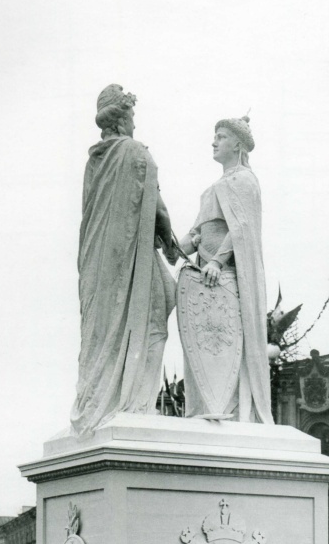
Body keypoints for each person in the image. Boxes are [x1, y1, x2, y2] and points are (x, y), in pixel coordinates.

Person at [70, 84, 179, 433]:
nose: (135, 121)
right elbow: (157, 208)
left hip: (98, 263)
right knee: (156, 309)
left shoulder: (95, 161)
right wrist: (171, 245)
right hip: (131, 259)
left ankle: (104, 398)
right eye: (132, 114)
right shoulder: (135, 153)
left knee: (102, 331)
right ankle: (135, 400)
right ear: (121, 119)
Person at [176, 115, 272, 423]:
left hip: (227, 277)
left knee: (226, 343)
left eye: (221, 136)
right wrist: (166, 242)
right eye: (215, 136)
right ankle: (206, 409)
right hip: (203, 279)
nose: (214, 141)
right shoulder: (212, 189)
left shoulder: (244, 180)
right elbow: (195, 236)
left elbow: (241, 227)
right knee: (204, 344)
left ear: (238, 145)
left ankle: (231, 411)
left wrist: (218, 260)